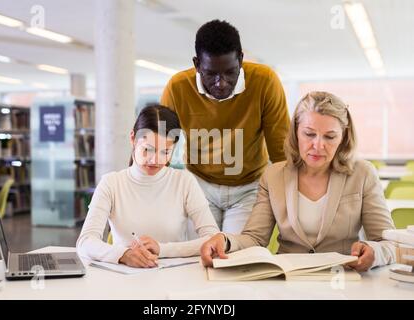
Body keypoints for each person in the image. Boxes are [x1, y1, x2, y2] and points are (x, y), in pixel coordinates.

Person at [200, 91, 396, 272]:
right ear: (295, 132)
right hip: (287, 279)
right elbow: (255, 238)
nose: (318, 145)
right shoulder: (273, 175)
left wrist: (374, 252)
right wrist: (224, 240)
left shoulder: (363, 174)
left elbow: (388, 242)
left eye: (330, 137)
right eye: (309, 134)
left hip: (342, 278)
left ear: (343, 138)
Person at [161, 19, 290, 234]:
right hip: (199, 184)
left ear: (240, 59)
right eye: (211, 74)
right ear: (197, 64)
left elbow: (281, 152)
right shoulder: (178, 87)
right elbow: (158, 145)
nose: (221, 83)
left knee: (235, 258)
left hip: (248, 186)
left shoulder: (265, 81)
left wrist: (292, 203)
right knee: (199, 251)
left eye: (230, 72)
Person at [77, 105, 219, 268]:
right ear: (133, 138)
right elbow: (85, 241)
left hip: (173, 278)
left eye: (165, 152)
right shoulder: (111, 183)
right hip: (125, 277)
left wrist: (162, 249)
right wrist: (122, 255)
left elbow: (213, 238)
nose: (155, 160)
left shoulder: (184, 182)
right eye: (147, 150)